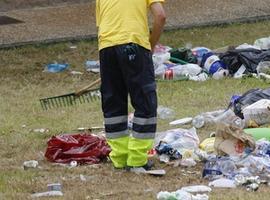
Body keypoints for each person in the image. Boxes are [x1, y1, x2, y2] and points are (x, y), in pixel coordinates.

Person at [96, 0, 166, 170]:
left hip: (106, 47)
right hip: (134, 44)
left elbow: (103, 24)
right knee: (144, 101)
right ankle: (136, 161)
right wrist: (150, 46)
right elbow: (160, 16)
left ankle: (120, 158)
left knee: (113, 103)